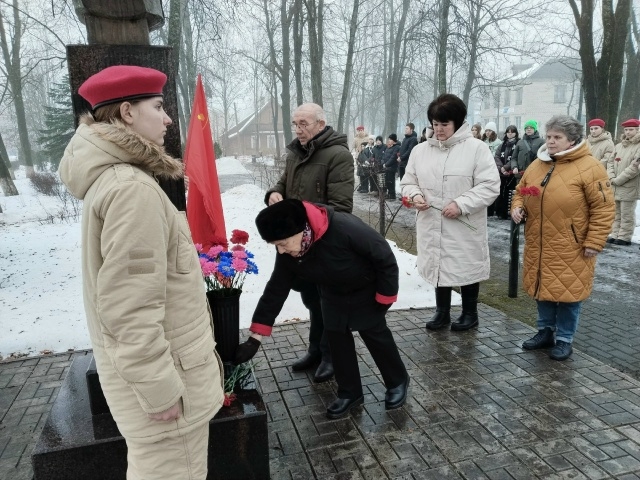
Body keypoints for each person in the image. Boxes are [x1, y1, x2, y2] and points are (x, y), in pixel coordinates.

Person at [58, 65, 223, 479]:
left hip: (162, 387)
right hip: (170, 396)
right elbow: (129, 306)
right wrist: (159, 390)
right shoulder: (131, 189)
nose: (167, 119)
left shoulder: (117, 180)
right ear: (127, 112)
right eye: (158, 106)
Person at [234, 199, 409, 419]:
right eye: (275, 245)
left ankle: (397, 381)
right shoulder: (289, 249)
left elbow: (384, 257)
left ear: (300, 230)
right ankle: (350, 393)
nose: (280, 250)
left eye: (283, 243)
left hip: (365, 287)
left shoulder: (344, 228)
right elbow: (276, 290)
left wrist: (385, 296)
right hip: (331, 292)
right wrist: (255, 338)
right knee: (337, 338)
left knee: (374, 334)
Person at [511, 115, 614, 360]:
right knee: (542, 288)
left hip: (572, 245)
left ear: (572, 140)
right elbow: (521, 191)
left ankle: (565, 339)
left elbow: (604, 208)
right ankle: (545, 331)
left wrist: (594, 241)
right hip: (539, 242)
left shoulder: (590, 167)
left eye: (557, 137)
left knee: (569, 294)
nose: (551, 141)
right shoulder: (538, 164)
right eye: (549, 136)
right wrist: (518, 206)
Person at [265, 102, 354, 383]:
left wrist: (301, 216)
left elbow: (340, 207)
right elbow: (283, 183)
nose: (298, 129)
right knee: (312, 300)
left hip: (324, 242)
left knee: (328, 303)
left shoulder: (338, 155)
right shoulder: (296, 152)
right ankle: (315, 350)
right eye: (296, 124)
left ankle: (331, 356)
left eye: (304, 124)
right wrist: (274, 194)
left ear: (320, 124)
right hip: (297, 243)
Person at [400, 94, 500, 332]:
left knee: (466, 265)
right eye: (435, 124)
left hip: (463, 223)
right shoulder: (420, 151)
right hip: (431, 221)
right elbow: (408, 182)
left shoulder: (476, 149)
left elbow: (489, 185)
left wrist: (461, 204)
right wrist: (415, 196)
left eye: (444, 124)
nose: (439, 129)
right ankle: (442, 311)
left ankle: (470, 313)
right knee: (438, 263)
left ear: (458, 122)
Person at [606, 118, 640, 246]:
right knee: (616, 212)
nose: (628, 132)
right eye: (626, 130)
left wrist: (619, 180)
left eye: (631, 129)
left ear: (637, 130)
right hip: (615, 185)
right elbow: (610, 162)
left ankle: (624, 237)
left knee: (627, 213)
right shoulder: (619, 146)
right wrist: (611, 177)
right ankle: (615, 234)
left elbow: (634, 167)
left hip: (629, 185)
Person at [493, 125, 519, 219]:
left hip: (511, 172)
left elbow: (515, 157)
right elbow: (497, 156)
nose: (510, 134)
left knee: (509, 192)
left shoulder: (518, 144)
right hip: (501, 172)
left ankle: (508, 212)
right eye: (508, 132)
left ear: (516, 133)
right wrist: (501, 168)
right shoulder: (502, 144)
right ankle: (499, 212)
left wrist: (506, 167)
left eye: (512, 132)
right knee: (500, 191)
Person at [382, 134, 401, 200]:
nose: (389, 140)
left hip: (392, 167)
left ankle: (392, 195)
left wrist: (386, 164)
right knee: (387, 181)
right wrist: (383, 163)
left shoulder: (397, 147)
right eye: (389, 139)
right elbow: (384, 156)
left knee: (391, 181)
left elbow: (393, 157)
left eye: (390, 139)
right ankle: (389, 193)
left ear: (394, 140)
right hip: (386, 167)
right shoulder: (388, 147)